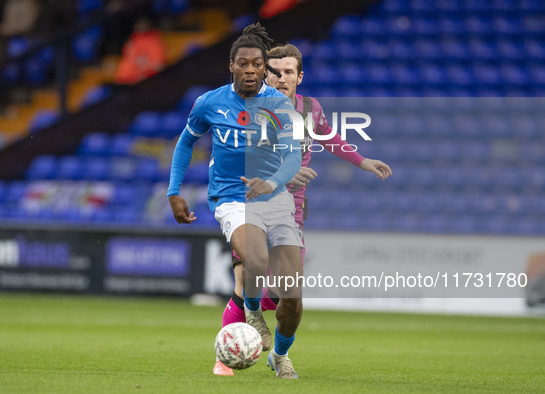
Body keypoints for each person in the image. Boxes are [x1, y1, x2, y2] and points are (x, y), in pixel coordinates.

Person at [213, 43, 393, 376]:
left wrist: (362, 160)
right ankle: (225, 357)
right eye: (275, 72)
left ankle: (278, 354)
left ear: (299, 76)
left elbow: (329, 137)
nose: (281, 78)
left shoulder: (310, 109)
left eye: (288, 72)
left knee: (288, 296)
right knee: (245, 280)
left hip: (290, 215)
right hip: (249, 207)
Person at [167, 23, 304, 379]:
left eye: (256, 65)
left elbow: (292, 156)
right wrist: (173, 190)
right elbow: (185, 143)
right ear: (231, 66)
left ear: (265, 69)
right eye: (242, 63)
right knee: (255, 262)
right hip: (231, 197)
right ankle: (254, 313)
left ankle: (280, 355)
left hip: (274, 199)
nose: (249, 70)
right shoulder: (209, 102)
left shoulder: (280, 106)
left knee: (292, 297)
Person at [115, 16, 166, 85]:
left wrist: (144, 71)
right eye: (139, 25)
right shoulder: (132, 40)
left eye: (143, 25)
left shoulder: (154, 42)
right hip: (128, 79)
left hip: (147, 80)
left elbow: (158, 65)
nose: (141, 27)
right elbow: (129, 60)